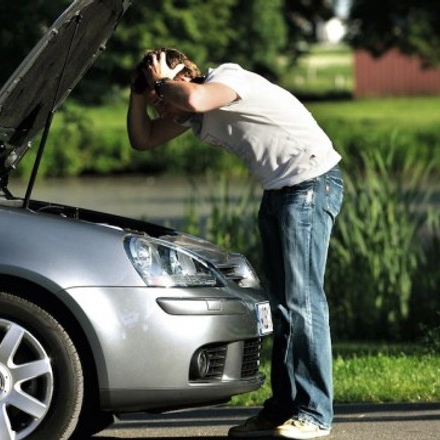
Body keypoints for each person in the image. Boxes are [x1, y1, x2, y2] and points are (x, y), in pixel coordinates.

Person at [127, 48, 344, 439]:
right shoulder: (193, 116)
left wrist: (161, 83)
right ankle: (282, 410)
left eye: (163, 100)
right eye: (157, 103)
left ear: (181, 78)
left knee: (302, 302)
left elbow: (192, 97)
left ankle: (315, 414)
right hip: (280, 192)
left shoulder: (227, 78)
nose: (163, 111)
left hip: (311, 185)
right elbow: (142, 140)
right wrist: (139, 92)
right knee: (282, 307)